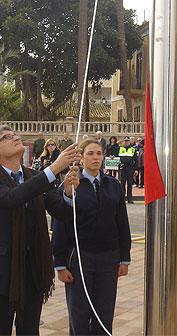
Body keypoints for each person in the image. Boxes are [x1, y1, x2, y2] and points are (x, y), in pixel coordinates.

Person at [0, 124, 81, 336]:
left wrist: (69, 194)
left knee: (30, 330)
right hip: (1, 272)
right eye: (7, 137)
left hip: (32, 270)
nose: (15, 137)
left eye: (15, 134)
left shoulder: (34, 176)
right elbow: (12, 197)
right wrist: (53, 169)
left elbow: (61, 211)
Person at [52, 139, 130, 335]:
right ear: (81, 158)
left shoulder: (113, 185)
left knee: (104, 311)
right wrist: (60, 263)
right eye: (90, 153)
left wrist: (124, 258)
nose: (95, 157)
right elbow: (60, 224)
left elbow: (122, 222)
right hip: (80, 257)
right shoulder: (71, 184)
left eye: (99, 153)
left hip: (108, 257)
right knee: (79, 311)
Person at [118, 137, 136, 204]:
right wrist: (117, 143)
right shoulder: (120, 148)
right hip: (123, 168)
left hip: (130, 167)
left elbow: (136, 160)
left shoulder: (133, 149)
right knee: (122, 184)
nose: (126, 142)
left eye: (127, 141)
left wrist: (136, 169)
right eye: (125, 141)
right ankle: (122, 198)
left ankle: (129, 198)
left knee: (129, 184)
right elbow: (111, 150)